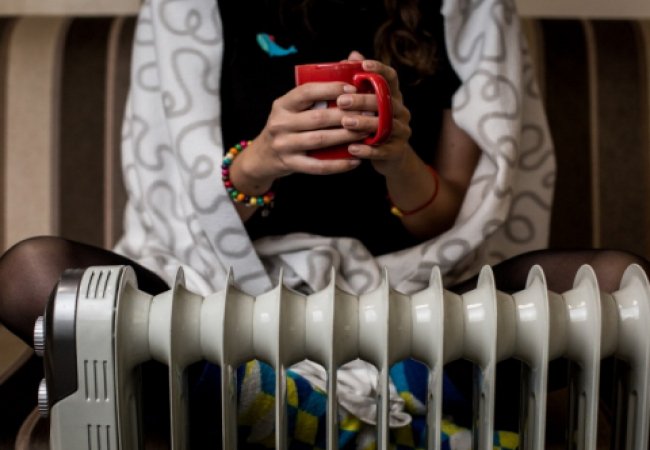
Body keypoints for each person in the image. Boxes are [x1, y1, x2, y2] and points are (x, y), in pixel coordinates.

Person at [0, 0, 648, 448]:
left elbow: (457, 217)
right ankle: (308, 393)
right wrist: (256, 163)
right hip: (225, 295)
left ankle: (291, 397)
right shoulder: (188, 9)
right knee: (33, 273)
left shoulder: (467, 9)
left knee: (620, 281)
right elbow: (177, 211)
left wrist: (399, 161)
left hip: (420, 295)